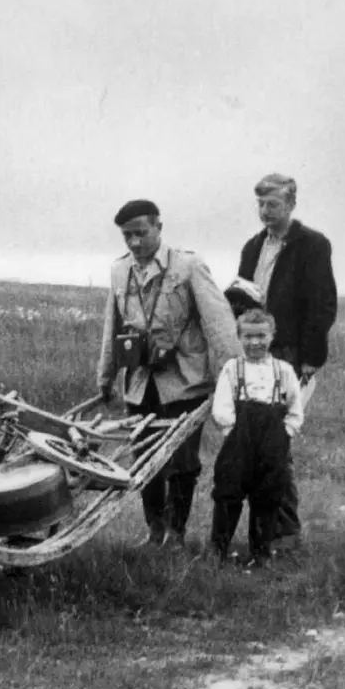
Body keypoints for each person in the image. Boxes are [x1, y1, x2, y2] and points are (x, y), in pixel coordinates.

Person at [97, 199, 241, 547]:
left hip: (184, 382)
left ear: (159, 227)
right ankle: (154, 530)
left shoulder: (189, 266)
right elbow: (112, 324)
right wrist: (105, 375)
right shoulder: (119, 270)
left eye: (141, 233)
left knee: (182, 461)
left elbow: (219, 323)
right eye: (127, 236)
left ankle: (177, 533)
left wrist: (234, 376)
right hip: (139, 382)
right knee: (145, 458)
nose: (134, 243)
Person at [224, 174, 338, 548]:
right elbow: (242, 300)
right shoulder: (252, 247)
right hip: (255, 351)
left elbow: (322, 305)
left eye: (273, 204)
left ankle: (283, 533)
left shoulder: (312, 245)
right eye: (260, 204)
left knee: (277, 443)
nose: (265, 211)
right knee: (253, 443)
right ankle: (269, 533)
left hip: (290, 354)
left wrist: (310, 358)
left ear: (291, 204)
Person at [207, 309, 304, 567]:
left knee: (268, 494)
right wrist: (231, 432)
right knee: (228, 491)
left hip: (273, 441)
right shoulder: (232, 368)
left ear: (271, 336)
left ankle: (261, 553)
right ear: (239, 337)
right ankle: (218, 548)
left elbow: (295, 408)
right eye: (248, 337)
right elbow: (222, 406)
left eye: (261, 336)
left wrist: (286, 433)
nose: (254, 343)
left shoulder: (283, 370)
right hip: (240, 439)